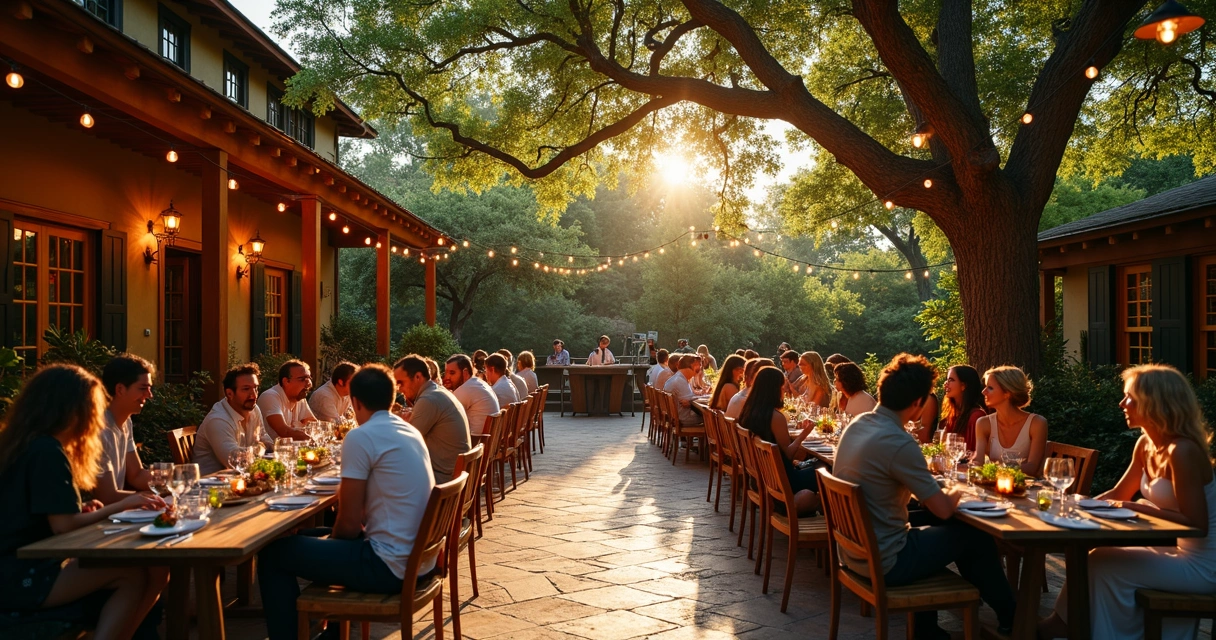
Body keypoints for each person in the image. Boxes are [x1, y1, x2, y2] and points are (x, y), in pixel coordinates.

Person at [832, 354, 1016, 639]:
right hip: (887, 561)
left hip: (854, 551)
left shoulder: (859, 425)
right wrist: (960, 487)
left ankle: (928, 630)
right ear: (918, 403)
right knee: (973, 536)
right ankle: (1014, 619)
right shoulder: (898, 441)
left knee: (930, 522)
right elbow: (944, 510)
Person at [258, 364, 435, 640]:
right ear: (392, 396)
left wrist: (331, 542)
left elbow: (350, 523)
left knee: (273, 553)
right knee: (302, 537)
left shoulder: (361, 436)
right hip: (419, 560)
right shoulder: (409, 431)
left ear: (354, 400)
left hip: (387, 566)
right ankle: (332, 632)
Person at [1039, 364, 1216, 640]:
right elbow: (1119, 493)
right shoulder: (1146, 444)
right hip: (1173, 549)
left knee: (1101, 561)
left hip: (1203, 565)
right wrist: (1073, 507)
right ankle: (1070, 626)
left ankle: (1069, 629)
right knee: (1095, 555)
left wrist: (1139, 507)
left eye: (1128, 397)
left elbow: (1198, 524)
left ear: (1153, 402)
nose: (1122, 403)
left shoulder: (1182, 452)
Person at [0, 365, 168, 640]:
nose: (97, 416)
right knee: (132, 576)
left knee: (142, 572)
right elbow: (63, 527)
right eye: (93, 407)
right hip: (20, 575)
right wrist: (121, 505)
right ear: (71, 409)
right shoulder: (48, 452)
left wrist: (81, 510)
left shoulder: (27, 444)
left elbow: (36, 515)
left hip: (21, 563)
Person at [739, 366, 821, 514]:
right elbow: (789, 454)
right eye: (782, 388)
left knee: (817, 464)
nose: (783, 392)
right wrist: (805, 433)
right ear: (773, 389)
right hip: (783, 480)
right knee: (826, 471)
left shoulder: (749, 411)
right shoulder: (775, 417)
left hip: (764, 477)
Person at [393, 355, 470, 481]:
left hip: (444, 480)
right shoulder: (436, 392)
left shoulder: (429, 399)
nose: (399, 389)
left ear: (418, 377)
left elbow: (404, 444)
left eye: (401, 383)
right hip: (456, 475)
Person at [94, 354, 156, 505]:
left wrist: (176, 481)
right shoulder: (99, 429)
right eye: (143, 388)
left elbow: (136, 475)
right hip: (96, 521)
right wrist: (150, 498)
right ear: (120, 389)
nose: (149, 395)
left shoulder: (125, 422)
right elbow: (107, 497)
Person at [195, 364, 275, 475]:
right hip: (211, 485)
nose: (253, 394)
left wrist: (277, 448)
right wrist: (261, 448)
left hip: (242, 478)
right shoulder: (218, 420)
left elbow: (264, 438)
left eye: (255, 388)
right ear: (229, 393)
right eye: (246, 389)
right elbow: (234, 460)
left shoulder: (254, 409)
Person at [973, 365, 1047, 476]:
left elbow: (1032, 468)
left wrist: (995, 470)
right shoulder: (983, 423)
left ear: (1007, 393)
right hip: (994, 486)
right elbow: (978, 461)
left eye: (990, 388)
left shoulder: (1036, 423)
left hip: (1025, 490)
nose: (983, 392)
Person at [257, 359, 317, 441]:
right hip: (270, 452)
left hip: (292, 451)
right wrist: (314, 439)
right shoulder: (270, 396)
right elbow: (284, 432)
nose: (309, 383)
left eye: (309, 378)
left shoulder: (299, 398)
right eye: (302, 379)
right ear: (286, 381)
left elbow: (314, 424)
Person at [443, 355, 500, 436]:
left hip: (475, 443)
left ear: (465, 373)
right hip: (486, 441)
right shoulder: (478, 383)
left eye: (452, 373)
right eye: (446, 373)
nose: (447, 377)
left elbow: (443, 417)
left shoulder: (466, 388)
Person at [936, 365, 986, 453]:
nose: (945, 383)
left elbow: (972, 453)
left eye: (951, 380)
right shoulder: (953, 414)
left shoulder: (976, 416)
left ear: (963, 386)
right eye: (947, 379)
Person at [662, 355, 703, 426]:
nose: (700, 368)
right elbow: (689, 402)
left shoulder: (679, 378)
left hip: (676, 416)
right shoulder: (679, 381)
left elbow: (690, 400)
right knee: (713, 418)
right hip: (684, 418)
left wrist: (693, 399)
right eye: (698, 365)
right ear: (691, 366)